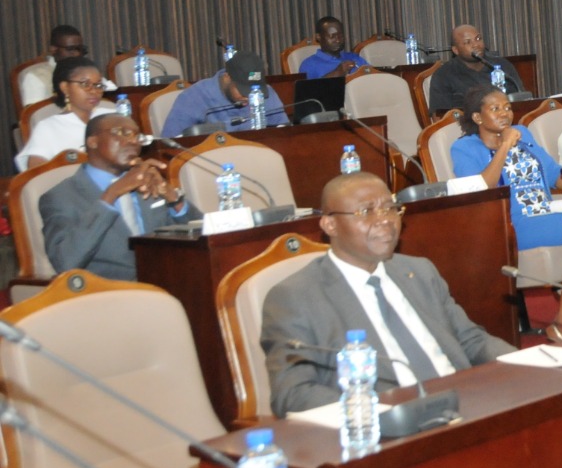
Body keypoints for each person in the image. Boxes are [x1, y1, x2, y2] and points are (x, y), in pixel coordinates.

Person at [260, 172, 517, 415]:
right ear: (330, 225)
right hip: (389, 423)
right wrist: (377, 412)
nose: (384, 220)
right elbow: (293, 393)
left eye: (390, 208)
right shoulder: (295, 297)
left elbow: (471, 340)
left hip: (465, 402)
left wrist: (526, 362)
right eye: (366, 211)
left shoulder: (419, 271)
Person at [39, 113, 190, 280]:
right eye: (121, 132)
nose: (133, 141)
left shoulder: (149, 182)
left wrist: (175, 200)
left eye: (137, 136)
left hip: (170, 280)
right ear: (93, 141)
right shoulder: (61, 197)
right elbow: (65, 263)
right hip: (112, 290)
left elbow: (203, 238)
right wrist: (111, 194)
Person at [450, 85, 562, 252]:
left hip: (547, 211)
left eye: (507, 108)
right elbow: (481, 191)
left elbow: (556, 176)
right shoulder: (464, 148)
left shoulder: (522, 133)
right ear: (477, 117)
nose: (504, 113)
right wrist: (505, 145)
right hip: (509, 223)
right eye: (495, 109)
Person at [15, 56, 118, 170]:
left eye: (98, 85)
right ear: (65, 87)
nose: (94, 91)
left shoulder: (113, 117)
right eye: (85, 84)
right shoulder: (48, 128)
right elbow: (37, 174)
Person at [160, 50, 290, 137]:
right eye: (243, 90)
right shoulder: (193, 97)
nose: (249, 97)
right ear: (227, 77)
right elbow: (171, 141)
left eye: (254, 90)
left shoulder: (265, 93)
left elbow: (284, 133)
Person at [427, 24, 523, 113]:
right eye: (467, 42)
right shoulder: (443, 75)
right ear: (456, 50)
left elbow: (521, 101)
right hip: (467, 124)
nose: (476, 44)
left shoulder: (502, 65)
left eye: (478, 38)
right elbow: (439, 116)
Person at [18, 24, 115, 107]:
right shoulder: (36, 77)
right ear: (53, 49)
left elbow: (111, 94)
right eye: (71, 49)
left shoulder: (86, 71)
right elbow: (34, 115)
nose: (77, 54)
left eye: (79, 49)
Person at [299, 15, 369, 79]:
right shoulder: (309, 65)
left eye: (340, 36)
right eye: (332, 37)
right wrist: (337, 73)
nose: (338, 40)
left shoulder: (355, 58)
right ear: (318, 37)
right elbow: (308, 88)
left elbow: (372, 79)